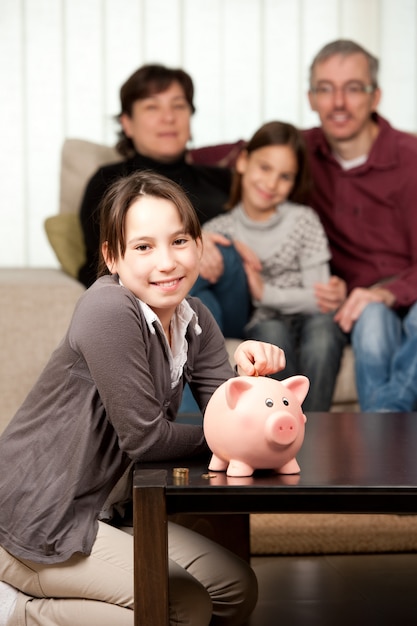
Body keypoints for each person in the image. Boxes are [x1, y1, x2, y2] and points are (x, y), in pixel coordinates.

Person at [0, 170, 286, 626]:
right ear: (113, 256)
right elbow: (147, 441)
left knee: (234, 588)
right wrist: (221, 438)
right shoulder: (109, 309)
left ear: (199, 244)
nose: (167, 262)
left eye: (179, 241)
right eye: (143, 247)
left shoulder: (196, 318)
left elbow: (229, 422)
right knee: (182, 606)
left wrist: (249, 379)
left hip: (102, 512)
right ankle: (18, 610)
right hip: (35, 517)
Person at [78, 63, 249, 339]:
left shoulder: (223, 180)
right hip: (153, 301)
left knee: (224, 258)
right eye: (152, 107)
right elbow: (101, 265)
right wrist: (193, 248)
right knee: (200, 301)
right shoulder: (108, 183)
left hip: (234, 299)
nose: (168, 117)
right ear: (127, 123)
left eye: (178, 106)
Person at [200, 121, 346, 412]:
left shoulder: (304, 220)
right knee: (271, 336)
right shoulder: (219, 229)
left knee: (324, 335)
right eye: (264, 168)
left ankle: (312, 427)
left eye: (285, 176)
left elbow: (322, 301)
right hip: (263, 320)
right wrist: (266, 300)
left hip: (310, 316)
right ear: (242, 162)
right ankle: (282, 420)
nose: (271, 184)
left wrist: (265, 293)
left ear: (294, 183)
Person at [304, 39, 417, 412]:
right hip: (361, 305)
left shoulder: (410, 158)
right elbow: (228, 162)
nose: (338, 103)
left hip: (409, 289)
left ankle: (385, 421)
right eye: (326, 89)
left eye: (353, 88)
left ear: (375, 96)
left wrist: (390, 291)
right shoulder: (300, 154)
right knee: (370, 320)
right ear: (311, 98)